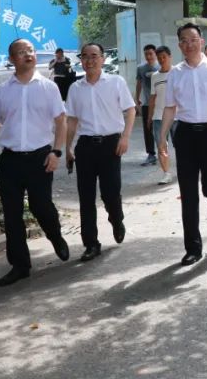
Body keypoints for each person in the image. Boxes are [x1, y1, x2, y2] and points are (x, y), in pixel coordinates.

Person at [0, 39, 69, 287]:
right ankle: (20, 265)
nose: (27, 54)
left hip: (40, 157)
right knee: (12, 213)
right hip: (11, 160)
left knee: (41, 206)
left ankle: (55, 236)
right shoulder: (2, 91)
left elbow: (61, 121)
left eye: (30, 50)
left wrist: (56, 152)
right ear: (11, 59)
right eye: (21, 52)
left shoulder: (49, 87)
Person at [158, 24, 207, 265]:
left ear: (201, 41)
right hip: (185, 135)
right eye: (184, 40)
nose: (189, 44)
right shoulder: (175, 73)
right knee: (188, 193)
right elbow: (170, 107)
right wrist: (162, 137)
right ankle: (193, 247)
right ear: (179, 45)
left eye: (193, 39)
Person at [64, 42, 136, 262]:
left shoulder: (116, 82)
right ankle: (91, 244)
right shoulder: (75, 88)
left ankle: (116, 218)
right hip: (85, 146)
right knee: (86, 197)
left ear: (102, 59)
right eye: (85, 56)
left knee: (110, 193)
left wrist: (125, 137)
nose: (90, 60)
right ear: (81, 60)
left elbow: (130, 110)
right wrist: (67, 148)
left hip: (111, 144)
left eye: (94, 55)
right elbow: (72, 120)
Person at [147, 45, 176, 184]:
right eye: (159, 58)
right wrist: (149, 117)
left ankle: (186, 171)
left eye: (164, 57)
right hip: (158, 117)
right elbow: (153, 98)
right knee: (161, 146)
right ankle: (166, 173)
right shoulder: (155, 76)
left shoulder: (178, 72)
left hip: (178, 117)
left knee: (183, 146)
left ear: (170, 57)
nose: (162, 60)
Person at [135, 45, 160, 166]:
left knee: (161, 128)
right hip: (146, 103)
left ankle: (162, 151)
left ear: (155, 54)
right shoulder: (141, 68)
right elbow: (139, 83)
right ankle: (151, 154)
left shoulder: (161, 66)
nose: (148, 56)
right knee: (148, 128)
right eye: (146, 54)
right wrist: (137, 98)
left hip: (160, 104)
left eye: (151, 53)